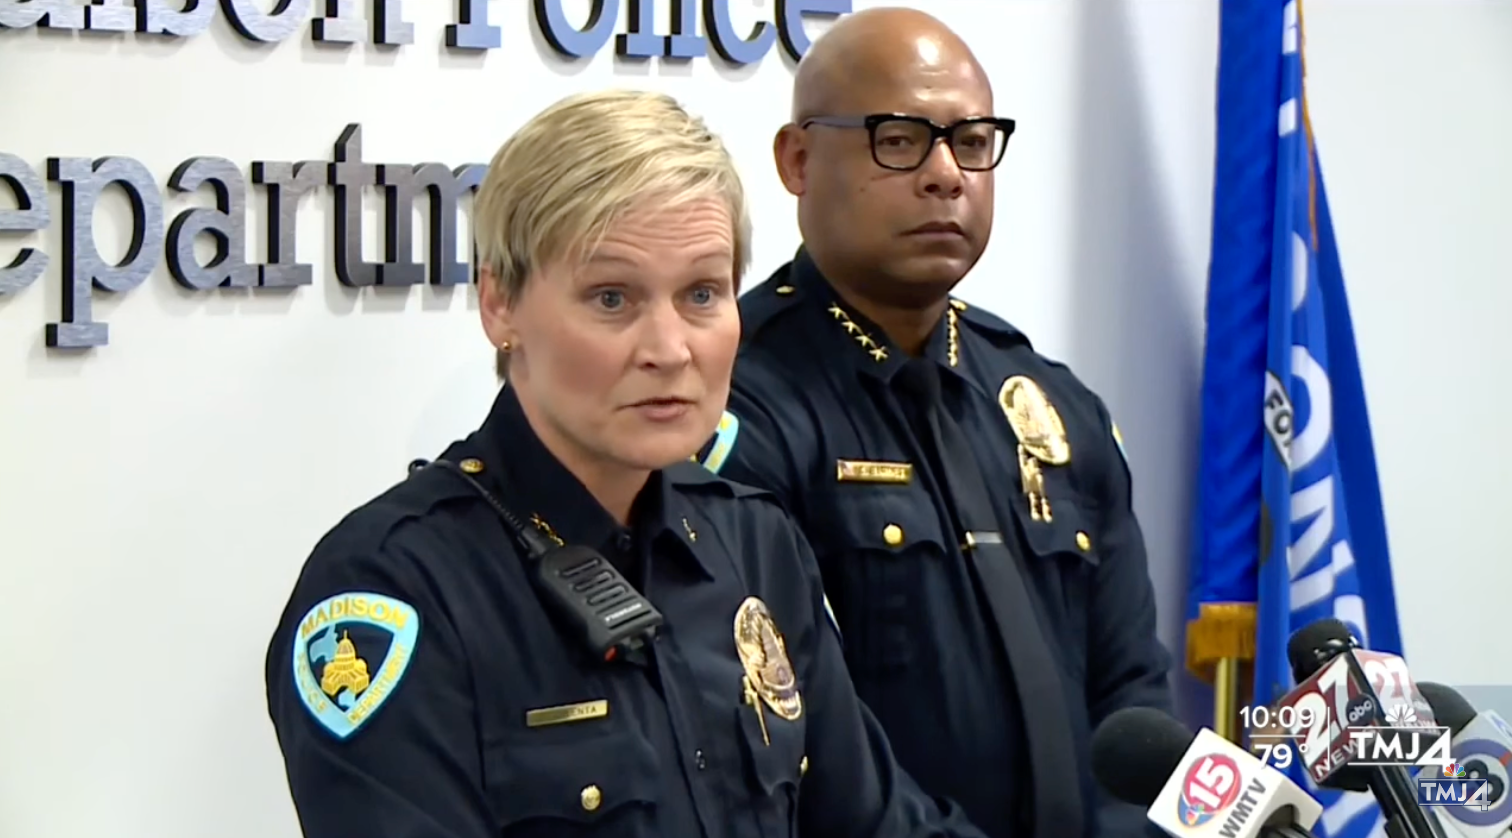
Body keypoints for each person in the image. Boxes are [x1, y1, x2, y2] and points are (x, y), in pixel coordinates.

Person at [264, 89, 990, 838]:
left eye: (702, 293)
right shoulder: (394, 590)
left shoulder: (754, 542)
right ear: (500, 305)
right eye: (612, 298)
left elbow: (878, 822)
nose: (670, 349)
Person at [697, 9, 1175, 838]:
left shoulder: (1053, 404)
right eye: (900, 138)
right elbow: (786, 736)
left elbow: (1133, 698)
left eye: (972, 140)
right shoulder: (738, 408)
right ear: (799, 159)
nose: (946, 174)